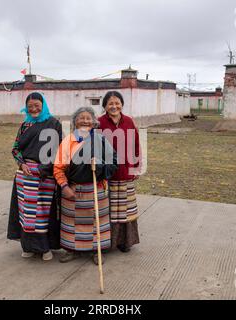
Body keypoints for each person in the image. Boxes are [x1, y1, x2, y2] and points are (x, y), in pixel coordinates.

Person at [53, 107, 117, 264]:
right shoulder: (68, 141)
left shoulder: (101, 140)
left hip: (96, 189)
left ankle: (97, 251)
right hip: (73, 190)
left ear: (94, 122)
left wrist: (100, 165)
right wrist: (64, 186)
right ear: (75, 121)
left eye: (88, 118)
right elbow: (58, 167)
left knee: (97, 224)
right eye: (81, 118)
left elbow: (114, 162)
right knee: (72, 223)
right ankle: (72, 249)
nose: (85, 121)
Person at [7, 92, 62, 261]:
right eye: (30, 106)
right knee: (26, 213)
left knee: (43, 211)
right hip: (25, 175)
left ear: (43, 104)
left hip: (45, 174)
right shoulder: (25, 125)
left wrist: (43, 169)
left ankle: (45, 248)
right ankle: (28, 246)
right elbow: (15, 149)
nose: (33, 109)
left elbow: (59, 150)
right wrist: (22, 164)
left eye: (37, 105)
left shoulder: (54, 123)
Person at [98, 91, 141, 253]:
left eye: (117, 103)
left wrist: (136, 167)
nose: (114, 106)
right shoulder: (99, 123)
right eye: (110, 103)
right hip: (107, 173)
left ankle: (125, 242)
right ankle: (107, 243)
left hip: (125, 171)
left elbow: (136, 145)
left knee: (126, 208)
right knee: (108, 208)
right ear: (105, 106)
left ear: (122, 104)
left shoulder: (129, 121)